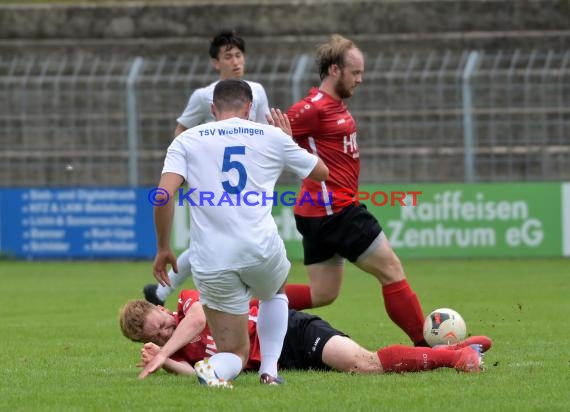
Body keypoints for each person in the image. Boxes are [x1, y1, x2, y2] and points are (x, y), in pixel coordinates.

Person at [143, 79, 329, 386]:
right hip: (260, 249)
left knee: (235, 352)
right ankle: (269, 371)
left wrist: (163, 247)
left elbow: (163, 196)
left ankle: (213, 370)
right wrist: (288, 141)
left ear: (213, 109)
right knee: (274, 292)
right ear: (250, 108)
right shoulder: (271, 135)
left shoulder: (186, 140)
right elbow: (321, 172)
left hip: (212, 260)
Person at [280, 34, 430, 347]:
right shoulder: (312, 108)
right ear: (334, 70)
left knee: (323, 294)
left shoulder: (334, 105)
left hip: (317, 211)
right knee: (391, 270)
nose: (360, 79)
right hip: (334, 209)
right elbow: (273, 136)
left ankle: (244, 305)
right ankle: (427, 347)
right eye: (355, 72)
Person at [143, 29, 271, 307]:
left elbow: (264, 130)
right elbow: (181, 131)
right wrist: (185, 168)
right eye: (228, 56)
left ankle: (162, 293)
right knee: (218, 238)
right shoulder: (204, 96)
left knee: (221, 239)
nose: (236, 61)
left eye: (239, 55)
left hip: (248, 180)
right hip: (214, 180)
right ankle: (255, 302)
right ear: (216, 63)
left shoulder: (257, 91)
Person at [119, 289, 491, 384]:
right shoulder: (179, 354)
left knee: (364, 365)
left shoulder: (187, 303)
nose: (168, 327)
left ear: (163, 309)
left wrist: (165, 347)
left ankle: (455, 357)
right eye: (159, 332)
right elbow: (205, 374)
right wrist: (165, 362)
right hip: (282, 362)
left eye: (163, 320)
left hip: (293, 332)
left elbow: (198, 319)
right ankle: (457, 349)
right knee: (363, 367)